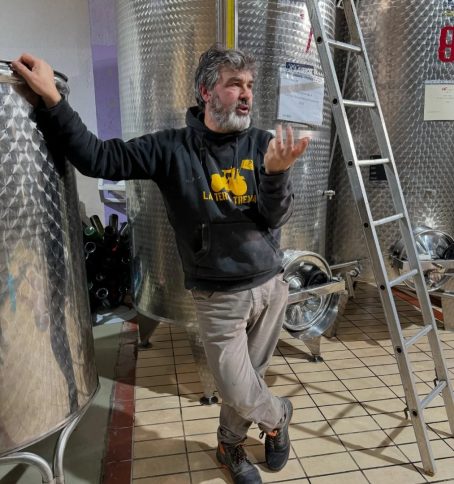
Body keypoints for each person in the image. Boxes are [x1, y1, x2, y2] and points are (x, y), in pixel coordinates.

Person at [12, 45, 310, 484]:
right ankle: (279, 416)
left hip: (270, 285)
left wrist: (277, 174)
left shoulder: (262, 144)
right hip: (219, 294)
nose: (247, 94)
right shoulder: (172, 148)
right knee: (235, 384)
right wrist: (54, 100)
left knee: (253, 375)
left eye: (249, 85)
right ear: (206, 92)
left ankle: (229, 445)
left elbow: (274, 216)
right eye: (234, 85)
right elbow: (98, 158)